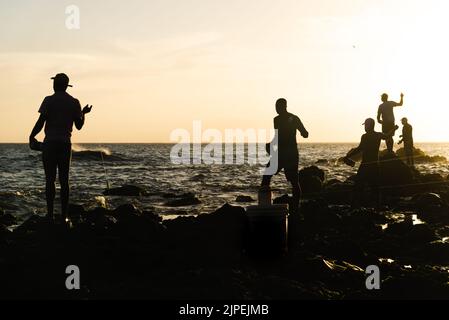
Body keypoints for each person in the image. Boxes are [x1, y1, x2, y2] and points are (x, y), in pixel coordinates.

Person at [29, 73, 92, 224]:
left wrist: (31, 136)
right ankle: (64, 216)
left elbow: (41, 121)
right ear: (66, 86)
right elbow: (79, 126)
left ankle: (50, 215)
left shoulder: (48, 100)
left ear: (55, 84)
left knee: (50, 180)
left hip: (50, 143)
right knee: (64, 181)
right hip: (65, 144)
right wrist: (83, 113)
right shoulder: (74, 102)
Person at [261, 98, 309, 214]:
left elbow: (305, 133)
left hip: (288, 153)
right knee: (268, 176)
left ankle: (295, 207)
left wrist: (302, 132)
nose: (276, 109)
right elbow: (278, 137)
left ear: (284, 106)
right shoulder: (277, 119)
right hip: (284, 153)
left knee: (292, 181)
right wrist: (270, 145)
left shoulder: (292, 118)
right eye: (276, 107)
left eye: (278, 107)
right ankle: (265, 203)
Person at [343, 118, 398, 208]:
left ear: (369, 125)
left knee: (358, 186)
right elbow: (388, 136)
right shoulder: (378, 135)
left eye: (366, 125)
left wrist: (348, 156)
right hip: (375, 164)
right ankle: (377, 206)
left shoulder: (365, 136)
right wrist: (394, 129)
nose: (365, 127)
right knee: (375, 187)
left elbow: (360, 148)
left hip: (365, 164)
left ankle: (355, 206)